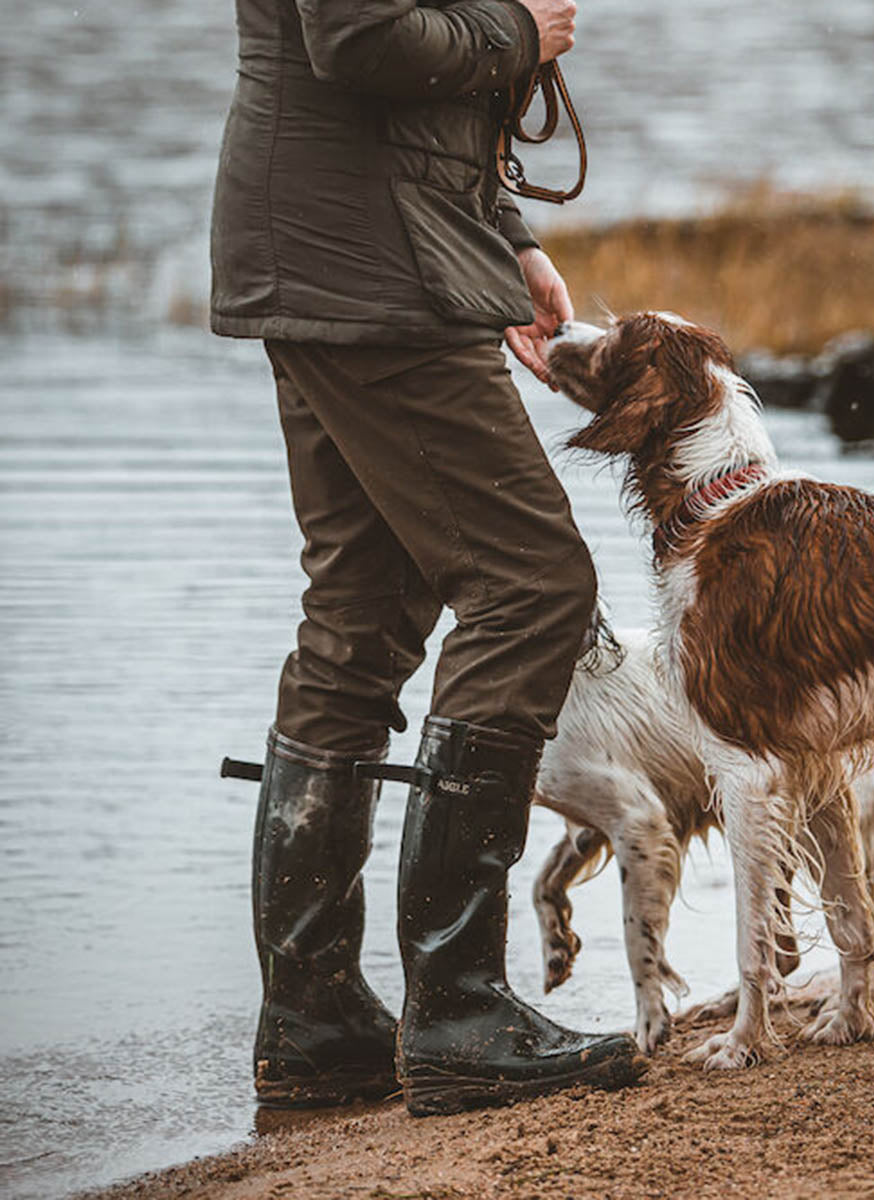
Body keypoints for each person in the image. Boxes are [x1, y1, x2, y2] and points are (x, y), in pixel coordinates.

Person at [210, 0, 644, 1116]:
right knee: (531, 587)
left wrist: (502, 232)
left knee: (362, 609)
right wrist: (518, 31)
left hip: (344, 251)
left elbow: (404, 77)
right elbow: (359, 40)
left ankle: (316, 1023)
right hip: (369, 267)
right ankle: (456, 1009)